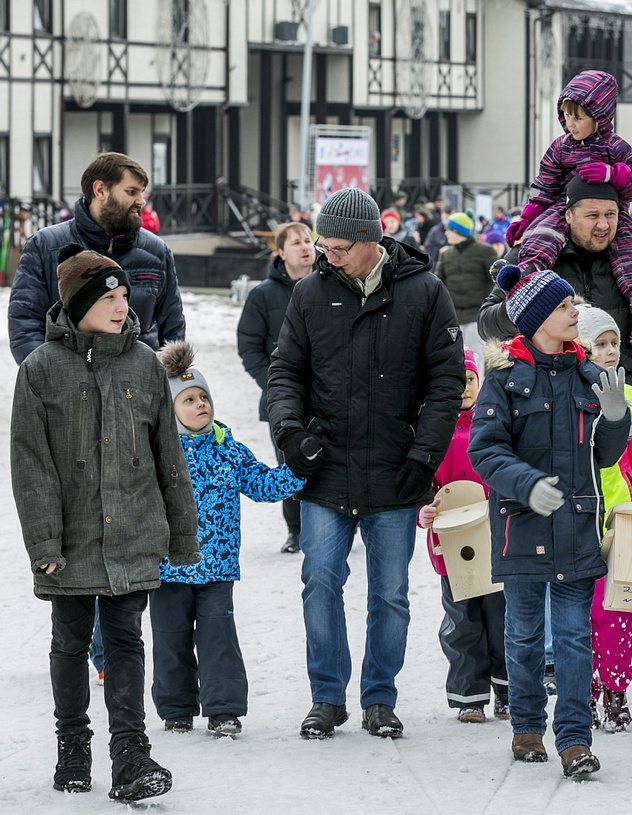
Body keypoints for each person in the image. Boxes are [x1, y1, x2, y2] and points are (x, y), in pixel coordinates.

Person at [267, 187, 466, 741]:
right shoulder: (309, 295)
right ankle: (326, 697)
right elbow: (286, 372)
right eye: (321, 246)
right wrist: (289, 431)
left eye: (335, 247)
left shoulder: (425, 293)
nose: (324, 256)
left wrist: (424, 453)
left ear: (369, 241)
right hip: (325, 467)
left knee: (390, 592)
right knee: (319, 581)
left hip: (396, 469)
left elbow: (445, 382)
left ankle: (380, 697)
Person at [12, 246, 199, 802]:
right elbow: (31, 464)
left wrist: (181, 533)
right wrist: (44, 539)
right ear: (79, 303)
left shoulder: (144, 363)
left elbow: (170, 456)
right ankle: (73, 745)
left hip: (133, 532)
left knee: (124, 641)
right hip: (68, 539)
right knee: (70, 643)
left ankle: (131, 754)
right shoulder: (40, 370)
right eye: (109, 297)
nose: (122, 306)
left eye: (124, 296)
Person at [468, 265, 630, 777]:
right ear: (538, 320)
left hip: (577, 529)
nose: (574, 314)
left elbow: (604, 456)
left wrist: (617, 415)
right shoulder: (504, 381)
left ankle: (576, 741)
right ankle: (527, 728)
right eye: (564, 308)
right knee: (522, 635)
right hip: (522, 529)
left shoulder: (588, 375)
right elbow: (485, 452)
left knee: (574, 638)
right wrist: (525, 483)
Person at [152, 341, 305, 737]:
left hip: (217, 568)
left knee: (219, 639)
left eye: (203, 396)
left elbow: (264, 485)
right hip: (168, 568)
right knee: (171, 643)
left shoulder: (227, 449)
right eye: (188, 399)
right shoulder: (158, 453)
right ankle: (177, 709)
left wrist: (299, 469)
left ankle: (223, 709)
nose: (200, 404)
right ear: (169, 410)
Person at [479, 178, 632, 432]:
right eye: (592, 215)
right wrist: (530, 305)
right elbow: (487, 324)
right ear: (568, 215)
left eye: (611, 214)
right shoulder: (533, 256)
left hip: (619, 404)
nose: (603, 224)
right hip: (546, 405)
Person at [504, 70, 632, 349]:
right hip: (562, 207)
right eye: (566, 116)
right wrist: (526, 219)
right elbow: (544, 189)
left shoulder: (616, 147)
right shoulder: (560, 148)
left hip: (614, 212)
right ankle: (525, 274)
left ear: (599, 117)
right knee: (544, 235)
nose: (570, 123)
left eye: (578, 117)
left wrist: (612, 174)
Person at [573, 304, 632, 731]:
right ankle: (584, 691)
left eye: (614, 343)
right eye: (600, 344)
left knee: (617, 610)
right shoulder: (569, 391)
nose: (611, 352)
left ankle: (615, 689)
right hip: (576, 518)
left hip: (621, 519)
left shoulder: (627, 395)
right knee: (580, 613)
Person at [8, 152, 185, 365]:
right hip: (67, 390)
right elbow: (25, 324)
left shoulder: (157, 251)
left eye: (141, 193)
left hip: (137, 391)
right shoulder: (45, 246)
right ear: (100, 190)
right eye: (131, 192)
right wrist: (50, 381)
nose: (141, 201)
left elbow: (172, 330)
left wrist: (161, 382)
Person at [417, 349, 508, 724]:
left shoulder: (494, 423)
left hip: (496, 541)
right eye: (453, 383)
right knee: (462, 623)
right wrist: (423, 509)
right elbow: (422, 483)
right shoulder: (432, 433)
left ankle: (507, 689)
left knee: (503, 621)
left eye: (468, 379)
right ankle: (469, 695)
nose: (463, 389)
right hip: (454, 548)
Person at [236, 222, 315, 554]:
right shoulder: (263, 295)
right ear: (281, 252)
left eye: (309, 240)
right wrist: (276, 385)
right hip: (284, 401)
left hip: (328, 396)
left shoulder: (329, 285)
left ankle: (340, 525)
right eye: (296, 242)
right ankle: (296, 531)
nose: (305, 247)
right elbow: (249, 346)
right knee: (291, 464)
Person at [435, 212, 498, 367]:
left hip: (476, 316)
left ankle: (478, 390)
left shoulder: (485, 251)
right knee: (455, 360)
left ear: (459, 231)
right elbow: (438, 283)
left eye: (449, 229)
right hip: (453, 316)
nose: (446, 233)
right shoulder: (446, 255)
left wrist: (487, 305)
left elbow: (495, 282)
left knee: (477, 358)